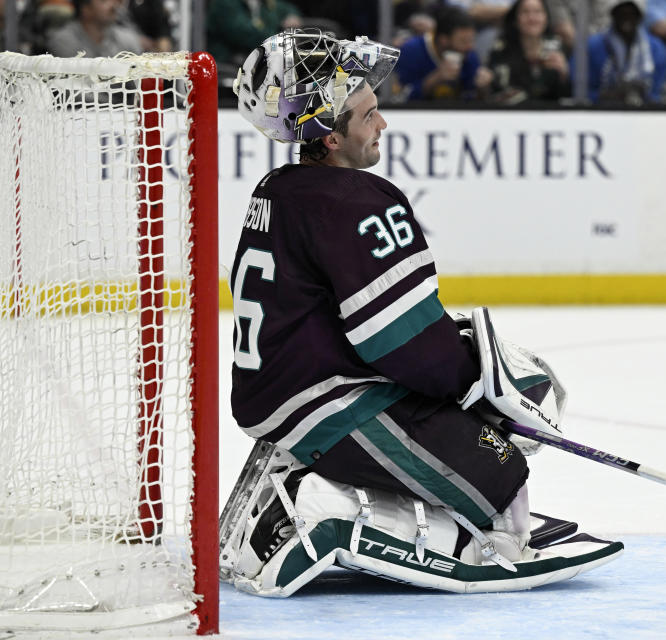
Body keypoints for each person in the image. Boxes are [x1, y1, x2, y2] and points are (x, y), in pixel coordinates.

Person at [222, 29, 622, 596]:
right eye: (367, 115)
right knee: (501, 474)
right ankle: (321, 512)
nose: (381, 125)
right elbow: (400, 343)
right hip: (332, 405)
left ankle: (298, 475)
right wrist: (478, 385)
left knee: (480, 446)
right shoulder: (358, 203)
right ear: (331, 138)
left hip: (279, 396)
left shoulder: (277, 188)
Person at [394, 6, 493, 100]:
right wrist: (435, 79)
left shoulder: (468, 55)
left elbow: (471, 99)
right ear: (443, 39)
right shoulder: (411, 51)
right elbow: (400, 98)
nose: (470, 46)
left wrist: (483, 88)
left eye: (471, 40)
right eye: (463, 41)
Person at [487, 0, 570, 104]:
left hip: (549, 114)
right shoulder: (501, 49)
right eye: (525, 12)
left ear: (546, 17)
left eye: (538, 12)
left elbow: (566, 97)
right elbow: (495, 93)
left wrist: (564, 75)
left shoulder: (556, 47)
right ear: (515, 18)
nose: (532, 18)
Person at [585, 0, 666, 104]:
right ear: (613, 14)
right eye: (621, 13)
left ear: (639, 16)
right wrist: (609, 96)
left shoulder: (655, 48)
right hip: (601, 112)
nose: (626, 17)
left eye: (632, 13)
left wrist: (640, 95)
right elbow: (584, 92)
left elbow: (656, 93)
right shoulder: (593, 46)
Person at [205, 0, 301, 73]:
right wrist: (279, 39)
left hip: (251, 63)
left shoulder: (262, 3)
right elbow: (244, 34)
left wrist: (292, 15)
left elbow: (286, 8)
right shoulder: (225, 3)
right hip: (225, 66)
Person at [46, 0, 142, 58]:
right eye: (104, 1)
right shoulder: (64, 40)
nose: (114, 5)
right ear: (85, 9)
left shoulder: (128, 39)